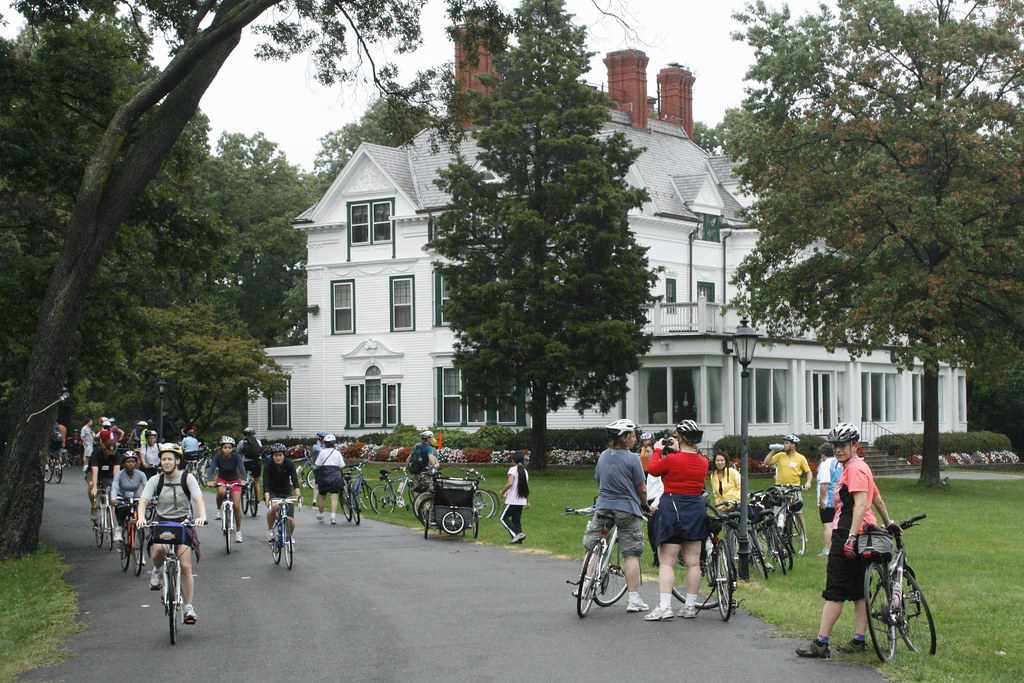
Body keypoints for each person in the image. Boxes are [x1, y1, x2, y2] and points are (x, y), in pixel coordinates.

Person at [796, 423, 898, 658]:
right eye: (835, 446)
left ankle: (821, 644)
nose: (838, 449)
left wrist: (850, 538)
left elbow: (861, 504)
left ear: (854, 445)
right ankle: (859, 641)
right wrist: (889, 522)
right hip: (863, 533)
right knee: (859, 591)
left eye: (843, 445)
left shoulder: (854, 469)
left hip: (848, 533)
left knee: (835, 591)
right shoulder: (860, 466)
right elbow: (877, 499)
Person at [579, 419, 649, 614]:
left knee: (592, 547)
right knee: (631, 553)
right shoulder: (633, 459)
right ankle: (633, 600)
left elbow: (599, 482)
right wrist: (644, 505)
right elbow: (641, 488)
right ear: (624, 438)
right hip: (627, 509)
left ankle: (584, 584)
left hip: (603, 507)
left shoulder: (603, 456)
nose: (635, 439)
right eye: (633, 436)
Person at [644, 419, 711, 621]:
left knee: (667, 562)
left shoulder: (672, 460)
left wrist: (658, 449)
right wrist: (678, 449)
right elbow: (689, 460)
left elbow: (653, 469)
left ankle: (665, 606)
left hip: (673, 509)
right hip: (695, 510)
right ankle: (689, 606)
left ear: (680, 438)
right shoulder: (703, 461)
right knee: (693, 563)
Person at [137, 445, 206, 625]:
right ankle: (157, 570)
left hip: (183, 521)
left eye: (170, 459)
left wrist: (202, 516)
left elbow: (198, 498)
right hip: (162, 521)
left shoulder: (187, 478)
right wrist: (141, 518)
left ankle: (188, 607)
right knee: (160, 549)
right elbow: (143, 500)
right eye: (163, 459)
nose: (166, 462)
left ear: (177, 461)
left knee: (186, 566)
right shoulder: (155, 480)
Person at [763, 434, 812, 531]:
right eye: (784, 443)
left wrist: (808, 482)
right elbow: (766, 462)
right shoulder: (780, 455)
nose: (784, 445)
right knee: (777, 513)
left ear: (793, 445)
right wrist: (773, 451)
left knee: (798, 513)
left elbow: (808, 472)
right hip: (780, 488)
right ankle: (779, 533)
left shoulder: (800, 458)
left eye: (786, 443)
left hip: (794, 488)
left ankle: (803, 535)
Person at [205, 436, 248, 543]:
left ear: (232, 448)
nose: (227, 449)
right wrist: (209, 480)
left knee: (236, 506)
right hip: (222, 480)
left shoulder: (236, 457)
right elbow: (212, 468)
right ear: (221, 448)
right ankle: (219, 509)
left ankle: (238, 532)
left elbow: (241, 468)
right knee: (221, 492)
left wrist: (244, 479)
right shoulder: (217, 457)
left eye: (229, 447)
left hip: (234, 480)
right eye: (225, 447)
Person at [263, 443, 301, 542]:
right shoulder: (268, 466)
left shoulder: (289, 464)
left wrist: (298, 495)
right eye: (276, 455)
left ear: (284, 455)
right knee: (274, 507)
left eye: (280, 455)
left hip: (286, 493)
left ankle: (289, 537)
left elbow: (295, 481)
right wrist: (267, 499)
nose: (278, 458)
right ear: (272, 456)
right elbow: (266, 485)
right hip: (272, 493)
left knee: (290, 520)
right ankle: (270, 530)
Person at [110, 451, 148, 544]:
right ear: (124, 463)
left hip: (135, 496)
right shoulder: (119, 474)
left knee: (140, 509)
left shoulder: (141, 474)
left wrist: (150, 498)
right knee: (122, 510)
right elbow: (115, 487)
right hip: (122, 497)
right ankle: (119, 528)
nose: (131, 464)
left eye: (133, 462)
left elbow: (147, 487)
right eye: (128, 462)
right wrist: (113, 499)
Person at [815, 442, 841, 557]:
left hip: (829, 500)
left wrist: (821, 499)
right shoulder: (839, 462)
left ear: (823, 454)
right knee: (838, 524)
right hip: (840, 498)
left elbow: (824, 483)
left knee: (828, 525)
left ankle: (828, 550)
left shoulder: (826, 465)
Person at [499, 451, 530, 543]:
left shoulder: (513, 469)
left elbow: (510, 483)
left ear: (513, 460)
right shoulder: (525, 471)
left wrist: (503, 492)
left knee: (503, 518)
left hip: (512, 500)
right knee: (516, 521)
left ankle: (517, 534)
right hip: (521, 500)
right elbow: (526, 487)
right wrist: (527, 501)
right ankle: (518, 541)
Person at [314, 434, 345, 524]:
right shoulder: (337, 453)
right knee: (334, 497)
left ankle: (321, 515)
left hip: (324, 475)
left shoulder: (322, 452)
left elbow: (318, 465)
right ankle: (333, 517)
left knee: (322, 497)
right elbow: (342, 466)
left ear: (325, 443)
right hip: (335, 476)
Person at [88, 439, 121, 522]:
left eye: (112, 452)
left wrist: (115, 485)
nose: (110, 454)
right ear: (104, 449)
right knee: (92, 484)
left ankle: (111, 525)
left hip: (108, 474)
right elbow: (94, 471)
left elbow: (116, 471)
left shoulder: (116, 455)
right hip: (95, 472)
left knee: (112, 498)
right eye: (109, 452)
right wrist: (94, 487)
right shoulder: (97, 453)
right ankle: (94, 506)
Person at [237, 427, 264, 510]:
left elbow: (238, 452)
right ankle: (257, 502)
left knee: (239, 470)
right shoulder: (258, 442)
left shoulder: (242, 442)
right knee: (257, 482)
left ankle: (243, 483)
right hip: (257, 462)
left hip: (246, 462)